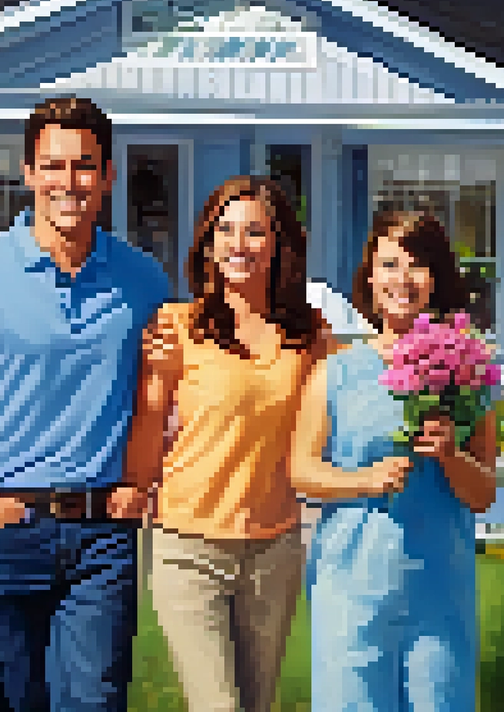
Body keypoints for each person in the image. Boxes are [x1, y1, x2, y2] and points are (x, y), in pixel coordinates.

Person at [0, 96, 171, 712]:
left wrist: (143, 480)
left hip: (102, 535)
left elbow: (158, 392)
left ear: (108, 176)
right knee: (13, 700)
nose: (68, 182)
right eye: (53, 166)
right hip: (12, 527)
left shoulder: (144, 282)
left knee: (94, 702)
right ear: (28, 172)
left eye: (84, 166)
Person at [117, 175, 329, 712]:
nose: (238, 244)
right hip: (188, 548)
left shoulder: (310, 335)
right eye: (225, 230)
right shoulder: (177, 325)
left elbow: (351, 406)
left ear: (280, 244)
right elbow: (148, 427)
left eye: (254, 232)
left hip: (274, 549)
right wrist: (154, 386)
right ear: (208, 244)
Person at [290, 210, 498, 712]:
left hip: (437, 591)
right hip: (351, 585)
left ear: (435, 279)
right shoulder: (336, 372)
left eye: (416, 264)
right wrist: (364, 480)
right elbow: (301, 470)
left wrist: (450, 454)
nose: (401, 279)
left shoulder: (467, 370)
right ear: (369, 276)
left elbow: (483, 493)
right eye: (388, 264)